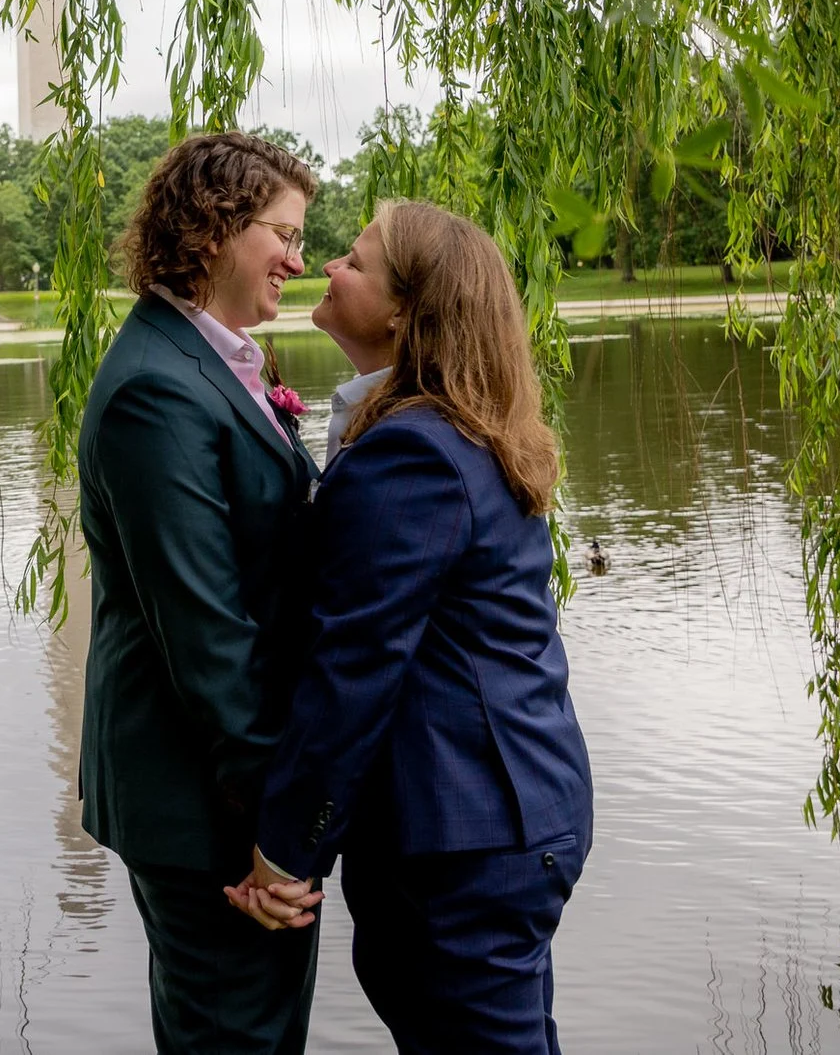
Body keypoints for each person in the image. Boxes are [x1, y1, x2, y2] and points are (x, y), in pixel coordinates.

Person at [226, 202, 595, 1055]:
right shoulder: (460, 430)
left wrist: (286, 852)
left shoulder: (415, 450)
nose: (327, 268)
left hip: (465, 844)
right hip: (504, 821)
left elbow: (354, 666)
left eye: (354, 261)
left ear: (404, 309)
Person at [78, 131, 321, 1054]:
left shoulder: (203, 362)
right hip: (205, 810)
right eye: (284, 234)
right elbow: (206, 631)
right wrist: (276, 831)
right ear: (217, 229)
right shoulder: (157, 393)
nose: (298, 260)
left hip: (216, 796)